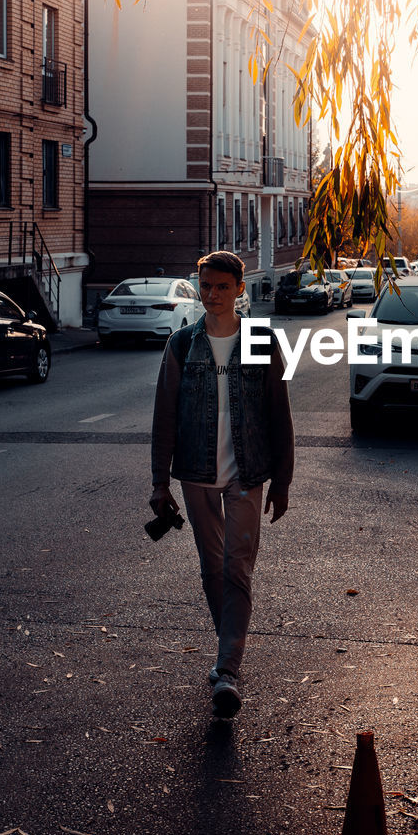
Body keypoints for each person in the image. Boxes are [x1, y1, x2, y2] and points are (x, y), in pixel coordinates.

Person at [150, 251, 294, 719]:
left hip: (248, 473)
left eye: (222, 287)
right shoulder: (183, 345)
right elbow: (164, 418)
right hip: (195, 473)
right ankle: (228, 652)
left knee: (237, 568)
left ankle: (228, 670)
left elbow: (278, 412)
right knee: (212, 569)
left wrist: (283, 480)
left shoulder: (257, 339)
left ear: (240, 290)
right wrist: (158, 483)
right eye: (205, 286)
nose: (212, 295)